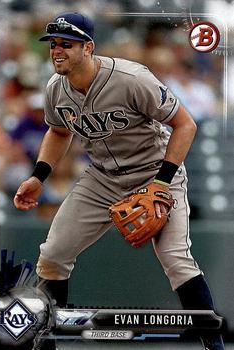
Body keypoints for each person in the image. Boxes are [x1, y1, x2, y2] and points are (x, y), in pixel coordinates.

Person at [13, 12, 224, 350]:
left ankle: (214, 346)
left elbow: (186, 125)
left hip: (154, 173)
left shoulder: (131, 78)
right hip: (102, 178)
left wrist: (162, 182)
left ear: (88, 47)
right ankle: (46, 341)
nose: (57, 51)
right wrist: (40, 175)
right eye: (53, 44)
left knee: (176, 260)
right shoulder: (56, 87)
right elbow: (57, 130)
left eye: (66, 44)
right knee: (53, 254)